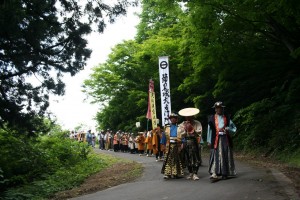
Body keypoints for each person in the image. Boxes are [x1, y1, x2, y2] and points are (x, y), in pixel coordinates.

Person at [207, 101, 237, 182]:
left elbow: (234, 128)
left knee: (225, 154)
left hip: (225, 139)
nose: (219, 109)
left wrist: (228, 129)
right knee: (216, 155)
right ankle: (215, 172)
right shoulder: (211, 118)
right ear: (215, 109)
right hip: (215, 139)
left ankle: (225, 173)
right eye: (217, 108)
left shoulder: (226, 118)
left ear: (222, 108)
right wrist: (209, 140)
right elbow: (209, 130)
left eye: (220, 108)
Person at [178, 108, 203, 180]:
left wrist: (192, 130)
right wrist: (185, 131)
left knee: (195, 157)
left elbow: (199, 132)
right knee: (187, 157)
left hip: (194, 141)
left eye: (190, 116)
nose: (188, 117)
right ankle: (190, 172)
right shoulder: (182, 124)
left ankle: (195, 173)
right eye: (186, 116)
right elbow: (180, 134)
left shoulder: (197, 123)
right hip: (186, 141)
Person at [161, 113, 184, 179]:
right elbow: (164, 137)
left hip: (177, 145)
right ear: (170, 119)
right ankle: (167, 173)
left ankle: (175, 173)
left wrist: (182, 144)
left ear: (177, 119)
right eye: (172, 118)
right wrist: (163, 145)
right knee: (168, 159)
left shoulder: (180, 128)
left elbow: (183, 137)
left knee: (176, 159)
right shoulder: (166, 127)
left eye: (174, 118)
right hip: (169, 145)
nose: (173, 119)